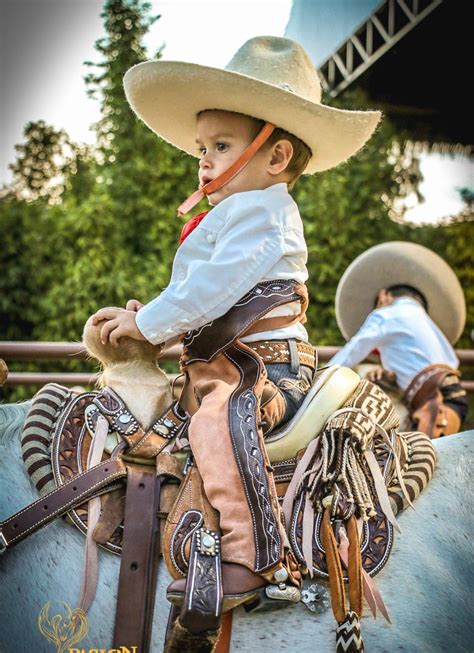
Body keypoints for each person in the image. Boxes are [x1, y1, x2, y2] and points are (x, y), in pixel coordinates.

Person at [90, 36, 381, 605]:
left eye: (220, 145)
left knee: (215, 424)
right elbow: (193, 295)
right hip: (227, 364)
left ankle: (254, 558)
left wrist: (150, 324)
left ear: (275, 157)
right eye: (202, 146)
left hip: (264, 372)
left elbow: (211, 290)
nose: (203, 160)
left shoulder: (264, 213)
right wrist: (142, 318)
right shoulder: (234, 215)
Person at [330, 241, 468, 437]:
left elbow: (354, 350)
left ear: (384, 295)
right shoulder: (427, 323)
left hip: (430, 403)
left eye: (377, 304)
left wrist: (324, 378)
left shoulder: (386, 315)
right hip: (453, 399)